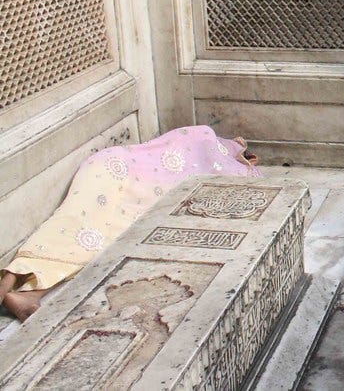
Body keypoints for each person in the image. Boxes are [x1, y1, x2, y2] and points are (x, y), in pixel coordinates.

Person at [0, 125, 259, 321]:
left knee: (95, 231)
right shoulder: (205, 136)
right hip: (118, 167)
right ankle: (13, 279)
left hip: (136, 189)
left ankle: (25, 288)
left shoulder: (234, 167)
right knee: (77, 219)